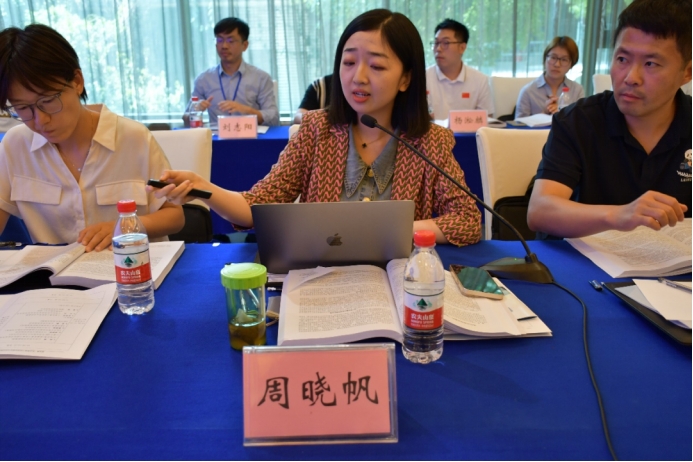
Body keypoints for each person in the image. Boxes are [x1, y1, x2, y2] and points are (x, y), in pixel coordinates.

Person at [151, 9, 481, 247]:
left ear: (406, 78)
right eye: (348, 62)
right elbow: (256, 206)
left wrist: (390, 230)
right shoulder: (317, 129)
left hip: (399, 282)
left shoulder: (430, 140)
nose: (358, 77)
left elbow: (467, 221)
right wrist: (202, 187)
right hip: (322, 280)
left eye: (377, 66)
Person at [0, 24, 184, 250]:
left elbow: (175, 216)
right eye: (22, 108)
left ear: (77, 81)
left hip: (133, 265)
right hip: (54, 271)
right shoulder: (15, 145)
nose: (40, 120)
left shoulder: (133, 138)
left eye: (47, 101)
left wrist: (124, 227)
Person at [527, 0, 691, 239]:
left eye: (651, 64)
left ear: (687, 72)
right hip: (587, 258)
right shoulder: (578, 121)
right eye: (622, 59)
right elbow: (539, 212)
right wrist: (619, 215)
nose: (631, 78)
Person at [193, 17, 278, 126]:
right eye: (220, 40)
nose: (224, 46)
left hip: (251, 135)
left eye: (231, 41)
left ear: (245, 45)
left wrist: (247, 110)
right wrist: (196, 109)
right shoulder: (204, 79)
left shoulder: (261, 78)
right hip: (216, 136)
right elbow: (186, 118)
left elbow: (273, 118)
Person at [425, 18, 494, 119]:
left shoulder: (480, 80)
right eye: (436, 43)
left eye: (446, 43)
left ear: (462, 48)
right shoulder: (422, 78)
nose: (438, 49)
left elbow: (486, 121)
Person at [515, 36, 585, 118]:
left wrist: (563, 114)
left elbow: (581, 122)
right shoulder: (528, 91)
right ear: (545, 59)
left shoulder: (577, 91)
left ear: (571, 65)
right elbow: (517, 125)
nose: (557, 64)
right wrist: (543, 114)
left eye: (564, 59)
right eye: (553, 57)